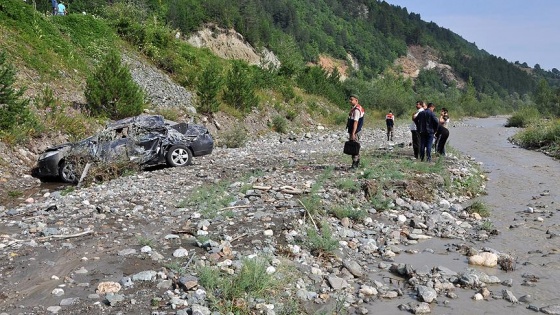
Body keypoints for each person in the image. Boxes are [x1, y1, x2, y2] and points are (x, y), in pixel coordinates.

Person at [346, 94, 365, 169]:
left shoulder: (357, 110)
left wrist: (353, 133)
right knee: (355, 147)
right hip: (356, 130)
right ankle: (357, 163)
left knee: (354, 147)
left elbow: (355, 122)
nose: (350, 101)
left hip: (356, 131)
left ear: (356, 100)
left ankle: (355, 165)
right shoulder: (356, 108)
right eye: (350, 99)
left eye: (351, 100)